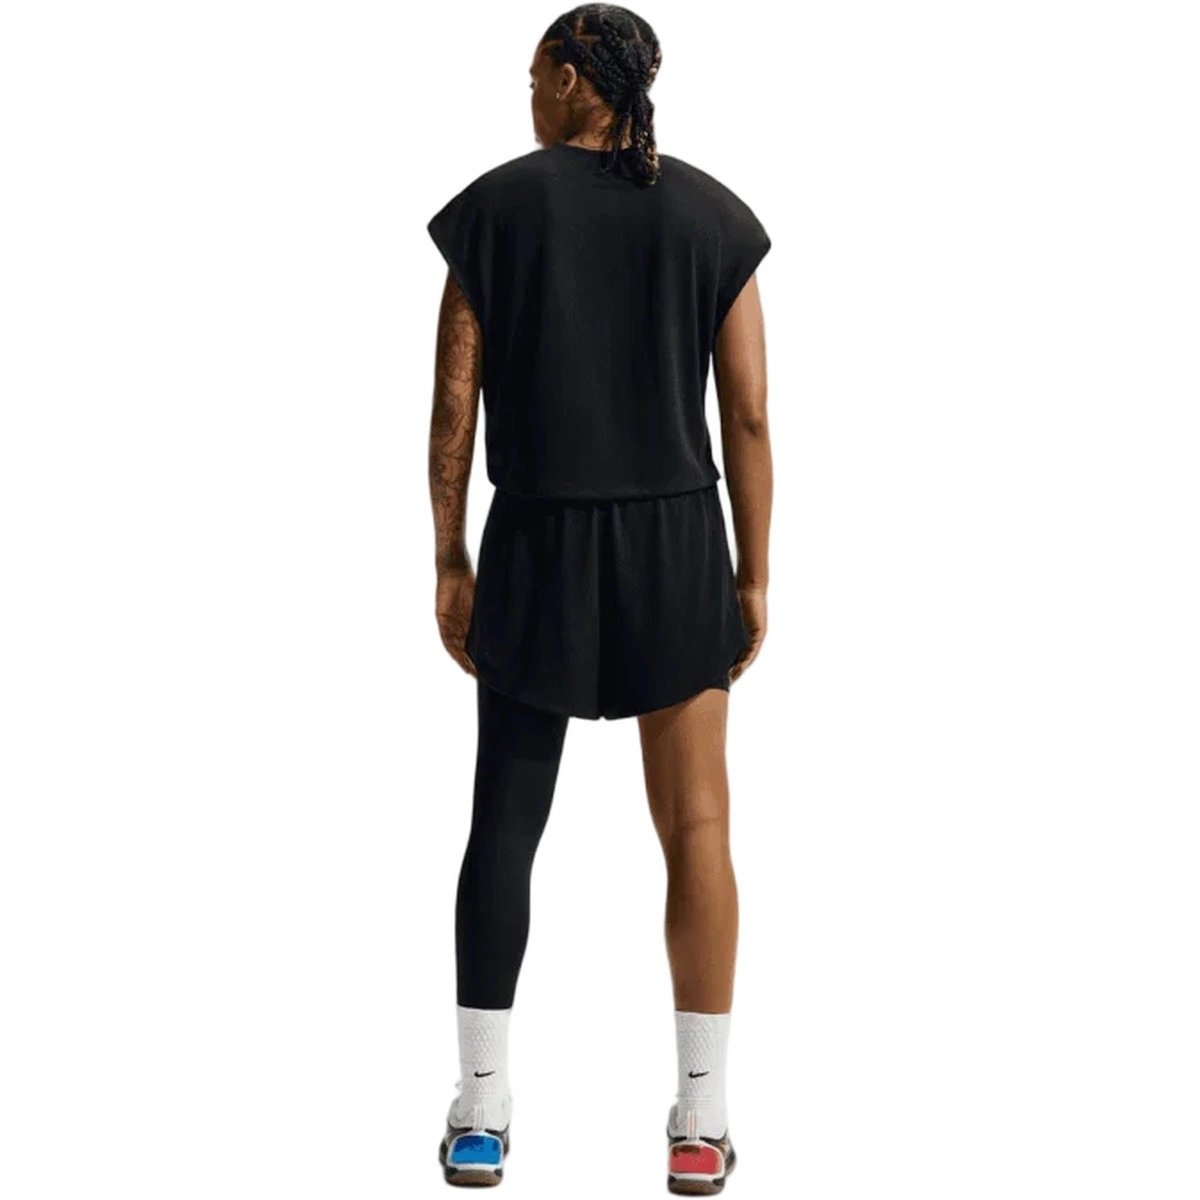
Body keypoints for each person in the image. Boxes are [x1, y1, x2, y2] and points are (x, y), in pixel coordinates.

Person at [425, 5, 772, 1192]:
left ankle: (482, 1111)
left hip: (539, 537)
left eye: (536, 76)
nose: (528, 94)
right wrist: (753, 570)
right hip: (677, 537)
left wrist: (450, 557)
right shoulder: (714, 217)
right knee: (700, 829)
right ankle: (701, 1120)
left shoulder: (495, 209)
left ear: (574, 79)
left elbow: (454, 407)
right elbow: (749, 416)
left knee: (503, 828)